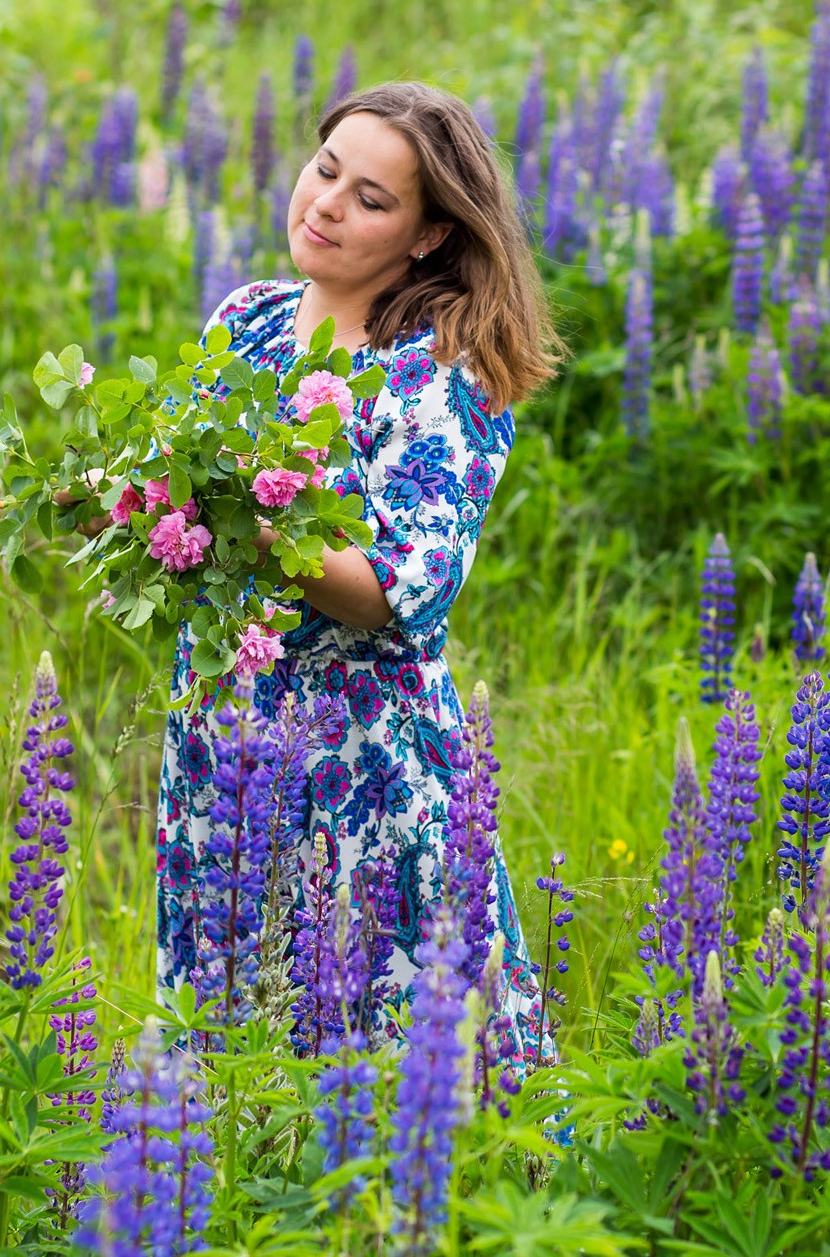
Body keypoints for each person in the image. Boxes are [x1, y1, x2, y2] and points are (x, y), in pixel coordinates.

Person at [156, 80, 560, 1057]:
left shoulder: (443, 368)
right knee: (227, 1031)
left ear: (427, 234)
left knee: (397, 1047)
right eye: (326, 169)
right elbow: (186, 495)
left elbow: (400, 589)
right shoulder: (246, 320)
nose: (327, 203)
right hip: (223, 737)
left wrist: (250, 521)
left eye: (371, 198)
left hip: (365, 761)